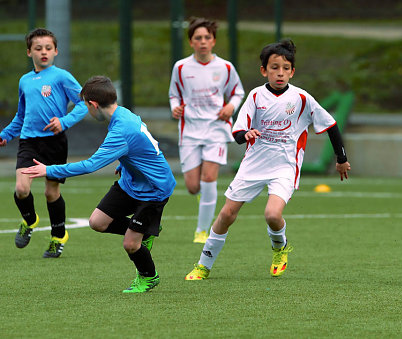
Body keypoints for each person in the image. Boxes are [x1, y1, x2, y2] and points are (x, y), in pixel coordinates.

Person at [185, 39, 351, 280]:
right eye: (274, 67)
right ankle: (203, 265)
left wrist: (341, 158)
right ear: (264, 70)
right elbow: (238, 132)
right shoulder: (255, 96)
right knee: (226, 215)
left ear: (292, 71)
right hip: (253, 165)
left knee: (272, 215)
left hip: (285, 166)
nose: (280, 73)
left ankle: (279, 247)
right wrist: (247, 134)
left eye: (285, 68)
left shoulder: (302, 98)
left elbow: (331, 125)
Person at [23, 75, 176, 293]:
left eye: (86, 105)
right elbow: (146, 145)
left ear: (93, 104)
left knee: (131, 244)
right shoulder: (123, 114)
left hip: (154, 190)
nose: (87, 110)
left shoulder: (121, 129)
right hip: (131, 182)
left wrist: (48, 169)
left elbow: (90, 165)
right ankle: (146, 231)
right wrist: (125, 165)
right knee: (97, 222)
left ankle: (148, 277)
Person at [0, 28, 88, 258]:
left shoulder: (62, 76)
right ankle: (30, 220)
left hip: (55, 143)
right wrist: (7, 134)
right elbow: (21, 115)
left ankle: (58, 236)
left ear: (56, 51)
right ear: (29, 52)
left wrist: (64, 121)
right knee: (21, 188)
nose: (44, 52)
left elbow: (82, 104)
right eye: (38, 48)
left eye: (48, 48)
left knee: (51, 193)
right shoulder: (25, 81)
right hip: (29, 141)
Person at [168, 17, 245, 244]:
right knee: (193, 187)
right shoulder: (181, 67)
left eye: (207, 38)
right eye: (198, 38)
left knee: (209, 178)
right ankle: (205, 197)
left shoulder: (225, 67)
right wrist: (175, 108)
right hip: (190, 130)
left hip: (216, 130)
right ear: (191, 42)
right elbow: (174, 94)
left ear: (213, 41)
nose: (203, 42)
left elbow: (237, 92)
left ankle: (202, 231)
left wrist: (230, 106)